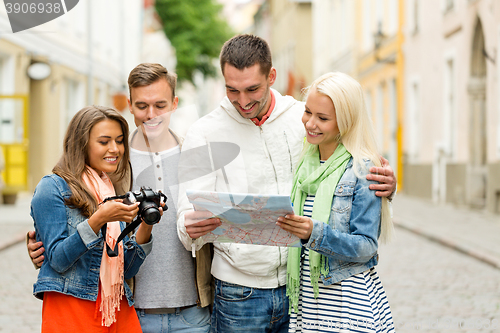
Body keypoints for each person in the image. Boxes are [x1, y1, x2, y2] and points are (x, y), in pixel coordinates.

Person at [176, 34, 397, 333]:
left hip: (304, 290)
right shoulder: (203, 132)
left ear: (272, 76)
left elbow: (349, 161)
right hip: (240, 293)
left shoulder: (303, 117)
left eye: (252, 89)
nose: (243, 101)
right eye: (232, 90)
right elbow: (185, 212)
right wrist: (189, 225)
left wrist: (387, 185)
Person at [28, 63, 212, 333]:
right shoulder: (115, 170)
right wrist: (40, 245)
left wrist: (147, 222)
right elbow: (61, 234)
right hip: (128, 309)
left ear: (174, 103)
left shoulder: (196, 157)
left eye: (160, 105)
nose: (151, 115)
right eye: (142, 106)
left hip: (191, 311)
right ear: (130, 104)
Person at [276, 72, 395, 332]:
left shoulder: (363, 169)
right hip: (309, 300)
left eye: (323, 118)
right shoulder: (303, 162)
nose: (310, 123)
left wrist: (314, 233)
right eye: (308, 112)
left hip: (346, 301)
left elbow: (367, 247)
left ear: (345, 123)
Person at [30, 106, 154, 332]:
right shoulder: (52, 187)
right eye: (104, 141)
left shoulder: (112, 190)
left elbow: (127, 271)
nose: (115, 149)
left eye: (119, 140)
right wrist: (98, 220)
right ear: (81, 144)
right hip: (72, 307)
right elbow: (57, 259)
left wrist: (146, 225)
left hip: (116, 306)